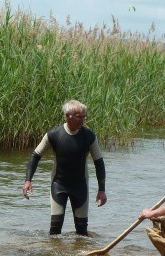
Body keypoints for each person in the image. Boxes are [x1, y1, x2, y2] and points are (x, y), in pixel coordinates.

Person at [22, 99, 107, 235]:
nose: (83, 120)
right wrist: (28, 181)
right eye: (79, 117)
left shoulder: (88, 136)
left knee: (82, 232)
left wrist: (101, 190)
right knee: (55, 230)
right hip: (59, 185)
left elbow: (99, 162)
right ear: (68, 116)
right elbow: (35, 155)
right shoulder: (54, 135)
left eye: (84, 116)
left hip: (80, 186)